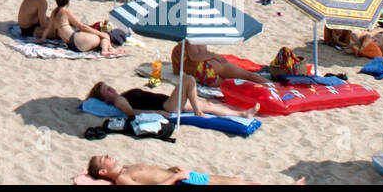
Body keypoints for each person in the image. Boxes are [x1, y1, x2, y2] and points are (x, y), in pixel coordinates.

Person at [87, 77, 258, 118]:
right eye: (106, 92)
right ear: (106, 100)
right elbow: (131, 112)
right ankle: (198, 111)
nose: (110, 90)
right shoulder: (118, 100)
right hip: (166, 107)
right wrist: (157, 113)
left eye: (108, 87)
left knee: (209, 105)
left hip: (168, 102)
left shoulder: (124, 94)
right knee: (188, 79)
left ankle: (243, 114)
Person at [86, 155, 300, 186]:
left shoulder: (128, 167)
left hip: (182, 176)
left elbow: (154, 173)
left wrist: (171, 169)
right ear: (103, 172)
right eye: (104, 159)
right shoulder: (123, 178)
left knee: (235, 180)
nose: (109, 156)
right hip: (181, 183)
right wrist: (176, 177)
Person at [41, 0, 119, 55]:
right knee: (103, 36)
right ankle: (106, 50)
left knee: (101, 37)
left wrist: (42, 39)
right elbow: (81, 26)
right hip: (77, 40)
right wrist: (100, 33)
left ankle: (109, 48)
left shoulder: (54, 12)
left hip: (70, 45)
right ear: (68, 2)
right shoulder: (65, 12)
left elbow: (48, 28)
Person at [173, 41, 270, 85]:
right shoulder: (199, 35)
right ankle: (273, 87)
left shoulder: (184, 44)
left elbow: (194, 57)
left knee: (234, 83)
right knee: (247, 75)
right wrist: (215, 56)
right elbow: (196, 56)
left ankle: (269, 87)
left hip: (205, 69)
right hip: (214, 62)